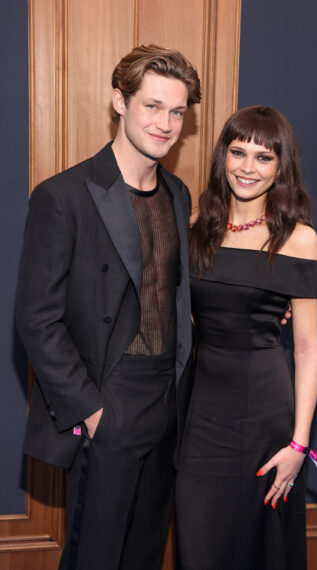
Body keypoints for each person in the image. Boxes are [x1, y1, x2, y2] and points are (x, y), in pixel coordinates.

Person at [16, 45, 201, 570]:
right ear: (119, 101)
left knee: (144, 555)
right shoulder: (64, 195)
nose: (165, 123)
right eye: (152, 106)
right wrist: (93, 411)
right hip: (109, 399)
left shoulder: (179, 194)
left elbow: (178, 292)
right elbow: (37, 318)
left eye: (177, 111)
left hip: (168, 401)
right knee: (94, 558)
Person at [175, 105, 317, 570]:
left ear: (281, 167)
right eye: (238, 152)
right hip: (201, 414)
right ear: (223, 157)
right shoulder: (197, 228)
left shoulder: (298, 240)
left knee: (259, 549)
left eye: (263, 157)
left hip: (264, 413)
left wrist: (299, 446)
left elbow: (307, 349)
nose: (247, 167)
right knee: (198, 546)